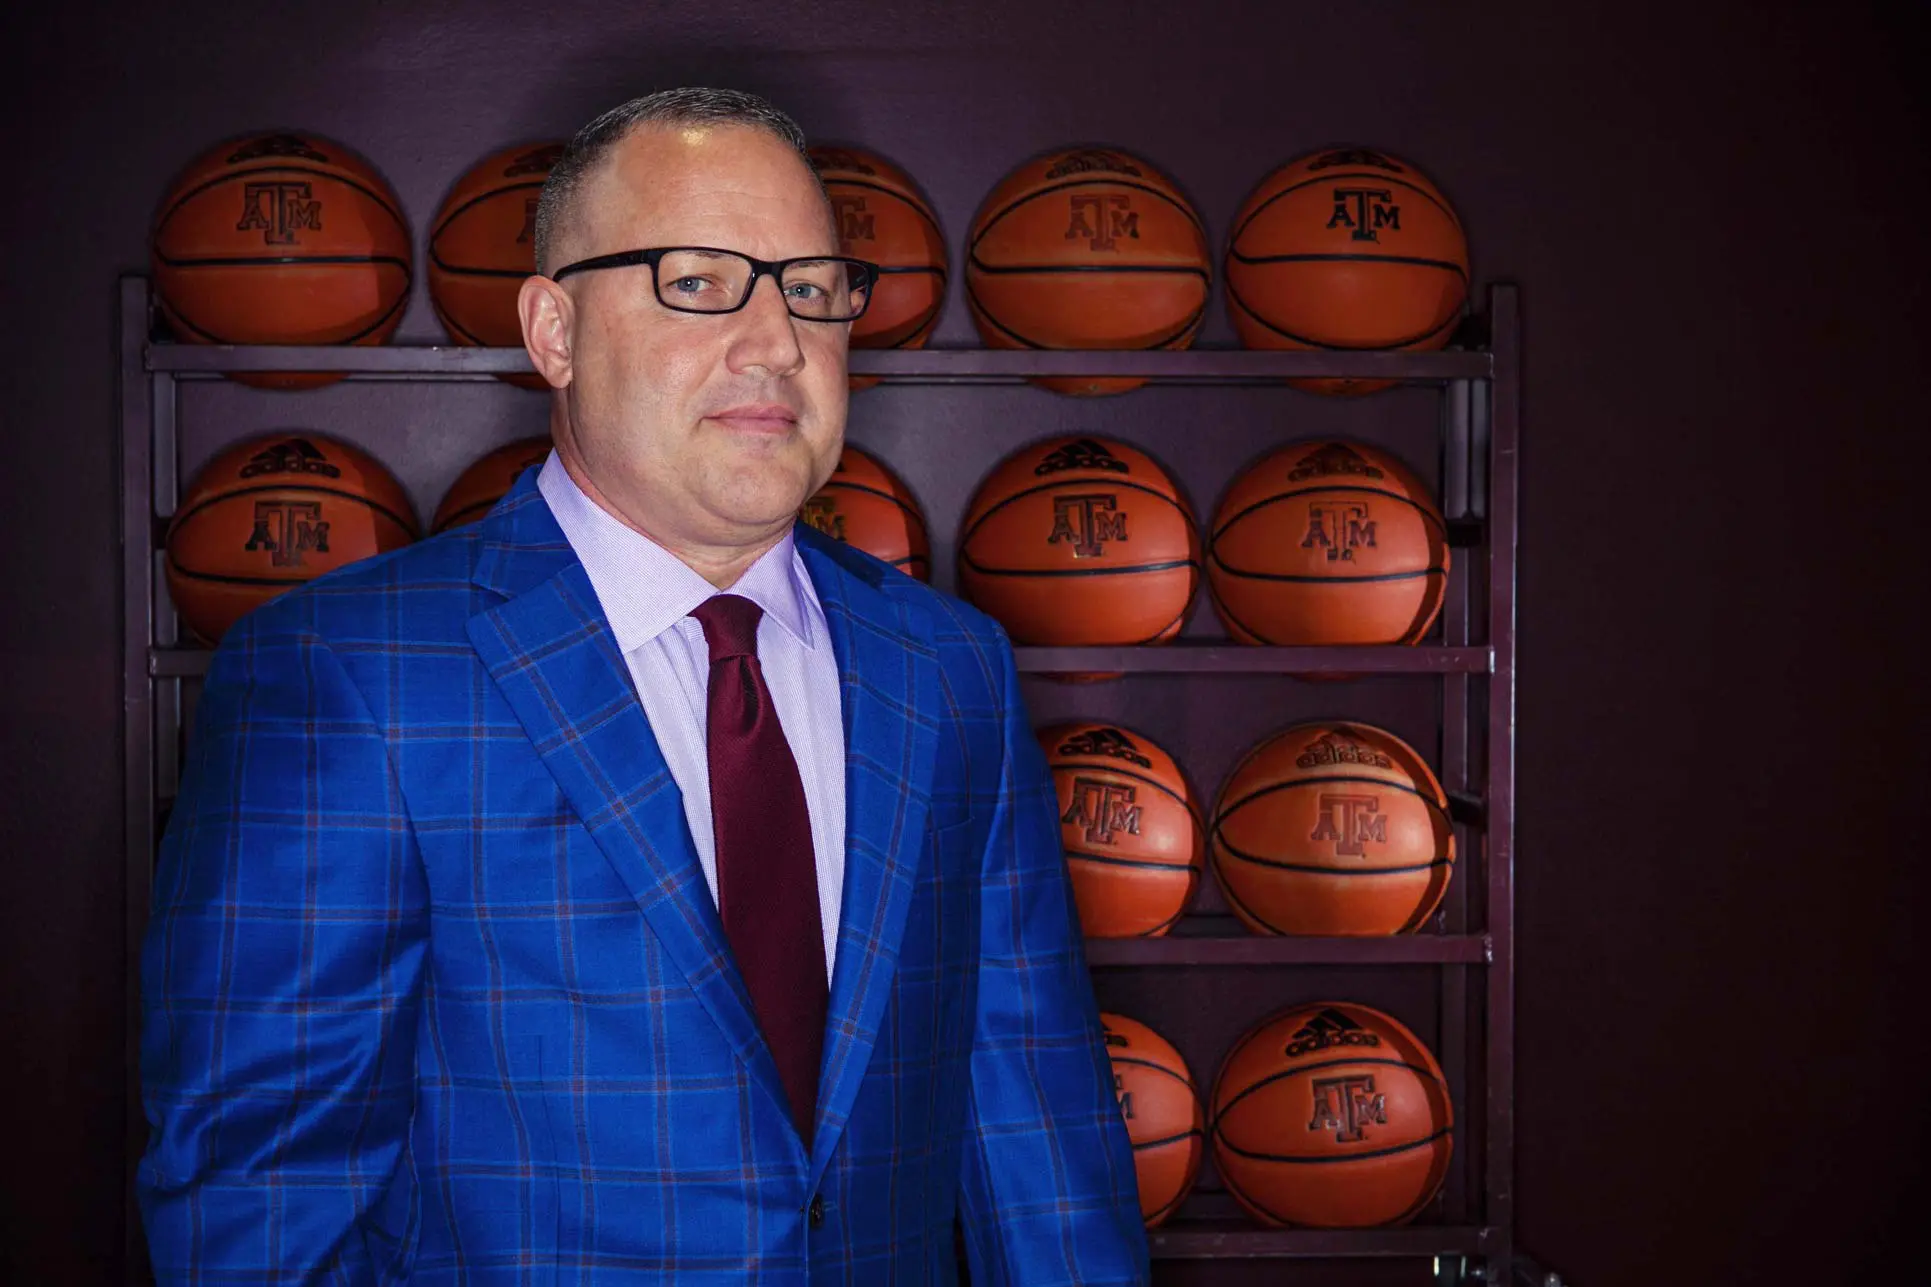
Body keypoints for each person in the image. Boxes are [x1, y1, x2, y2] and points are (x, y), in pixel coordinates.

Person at [137, 87, 1148, 1284]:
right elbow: (259, 1193)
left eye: (810, 287)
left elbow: (1037, 1130)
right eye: (699, 279)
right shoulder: (343, 673)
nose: (776, 339)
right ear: (553, 332)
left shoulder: (949, 668)